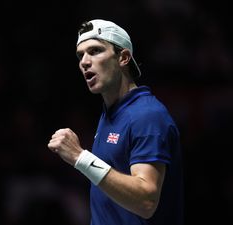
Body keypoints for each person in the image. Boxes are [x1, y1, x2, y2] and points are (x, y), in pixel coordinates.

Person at [47, 19, 184, 225]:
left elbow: (146, 201)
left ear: (123, 58)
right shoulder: (111, 113)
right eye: (80, 55)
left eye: (94, 51)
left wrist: (80, 157)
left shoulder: (147, 115)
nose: (84, 61)